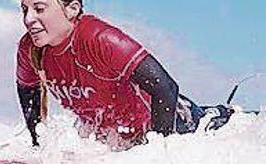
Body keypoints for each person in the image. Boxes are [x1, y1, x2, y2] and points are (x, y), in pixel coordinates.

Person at [16, 0, 233, 149]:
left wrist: (157, 157)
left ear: (72, 9)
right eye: (24, 9)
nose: (28, 19)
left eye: (39, 8)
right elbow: (28, 92)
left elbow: (166, 88)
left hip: (182, 125)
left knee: (236, 125)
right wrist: (39, 146)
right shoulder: (30, 50)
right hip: (119, 142)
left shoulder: (99, 38)